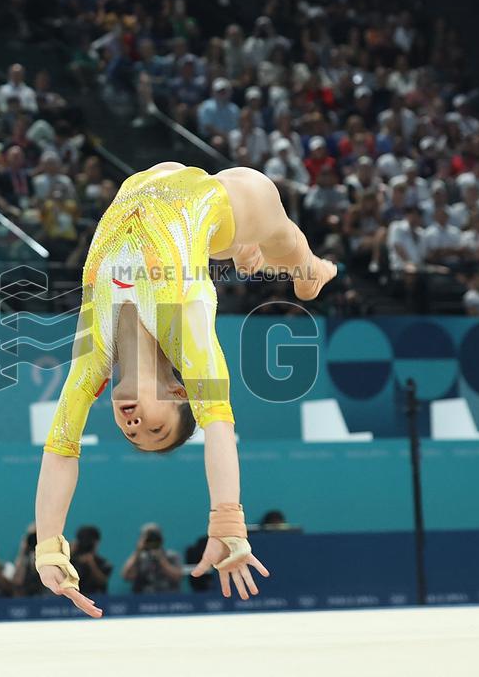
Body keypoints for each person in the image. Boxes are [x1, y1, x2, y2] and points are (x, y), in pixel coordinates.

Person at [33, 162, 336, 617]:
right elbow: (219, 427)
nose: (134, 426)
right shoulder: (187, 329)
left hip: (150, 185)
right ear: (179, 394)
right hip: (222, 201)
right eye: (154, 431)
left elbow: (60, 450)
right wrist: (227, 521)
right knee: (286, 245)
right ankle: (311, 269)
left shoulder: (95, 351)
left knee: (236, 242)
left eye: (130, 434)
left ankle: (243, 252)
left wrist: (48, 547)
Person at [121, 523, 183, 594]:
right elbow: (126, 576)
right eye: (149, 538)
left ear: (162, 539)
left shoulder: (172, 556)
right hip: (143, 599)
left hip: (168, 598)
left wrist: (161, 560)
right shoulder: (139, 557)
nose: (152, 541)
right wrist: (137, 552)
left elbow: (178, 577)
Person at [70, 526, 112, 596]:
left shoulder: (102, 562)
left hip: (97, 598)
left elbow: (102, 581)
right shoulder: (70, 561)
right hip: (71, 599)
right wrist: (68, 555)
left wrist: (91, 563)